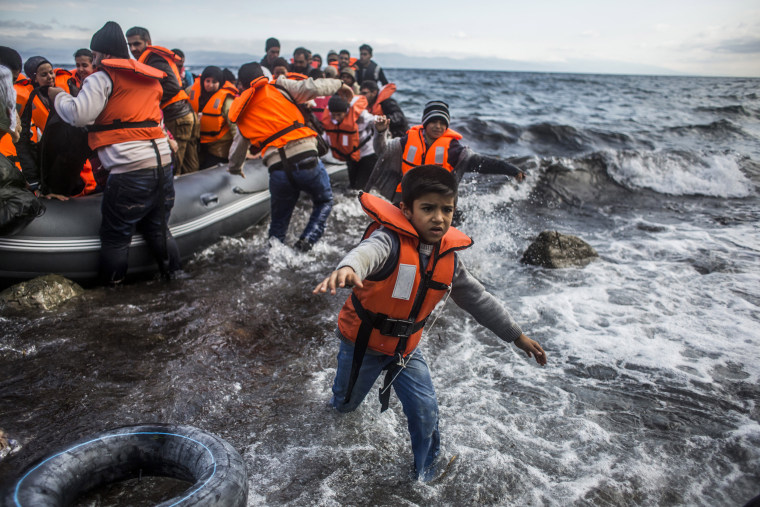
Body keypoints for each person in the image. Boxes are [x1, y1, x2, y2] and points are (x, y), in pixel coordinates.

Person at [313, 165, 547, 481]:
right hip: (363, 344)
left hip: (405, 350)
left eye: (446, 209)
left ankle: (427, 473)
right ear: (406, 210)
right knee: (344, 406)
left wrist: (516, 335)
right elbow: (366, 253)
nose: (439, 217)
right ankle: (324, 442)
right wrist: (348, 267)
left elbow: (478, 299)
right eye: (428, 209)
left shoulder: (448, 259)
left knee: (425, 411)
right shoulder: (389, 241)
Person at [50, 21, 181, 285]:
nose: (94, 60)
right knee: (158, 229)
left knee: (115, 237)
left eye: (95, 55)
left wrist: (58, 96)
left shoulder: (102, 77)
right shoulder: (148, 77)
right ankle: (174, 280)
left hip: (129, 171)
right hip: (163, 165)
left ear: (105, 54)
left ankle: (113, 294)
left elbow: (79, 115)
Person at [227, 62, 351, 252]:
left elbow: (237, 149)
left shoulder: (241, 109)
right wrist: (340, 84)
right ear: (263, 75)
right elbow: (313, 86)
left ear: (241, 85)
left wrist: (235, 169)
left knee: (278, 224)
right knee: (324, 200)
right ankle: (306, 243)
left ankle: (272, 257)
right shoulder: (278, 86)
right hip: (306, 159)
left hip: (277, 170)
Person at [367, 100, 526, 203]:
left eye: (442, 123)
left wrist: (510, 169)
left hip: (436, 202)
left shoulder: (453, 148)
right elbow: (382, 151)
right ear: (424, 123)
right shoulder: (408, 140)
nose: (438, 126)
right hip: (406, 198)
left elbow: (481, 163)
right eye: (433, 122)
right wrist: (380, 132)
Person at [126, 26, 199, 174]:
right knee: (190, 164)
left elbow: (173, 86)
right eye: (130, 45)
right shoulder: (153, 58)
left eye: (137, 44)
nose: (133, 48)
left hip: (176, 117)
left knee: (176, 164)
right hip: (185, 115)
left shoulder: (153, 60)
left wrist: (148, 99)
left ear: (148, 42)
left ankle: (177, 195)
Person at [186, 65, 238, 169]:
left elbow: (235, 127)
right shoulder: (190, 91)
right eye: (207, 81)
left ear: (220, 82)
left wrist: (243, 152)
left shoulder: (227, 101)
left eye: (214, 82)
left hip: (219, 146)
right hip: (197, 142)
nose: (210, 85)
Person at [321, 94, 376, 190]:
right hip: (351, 155)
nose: (336, 118)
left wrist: (380, 124)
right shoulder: (330, 119)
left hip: (367, 154)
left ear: (346, 112)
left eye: (339, 115)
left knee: (360, 187)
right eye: (334, 115)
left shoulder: (361, 115)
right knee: (353, 185)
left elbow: (374, 120)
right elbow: (326, 137)